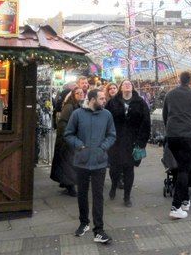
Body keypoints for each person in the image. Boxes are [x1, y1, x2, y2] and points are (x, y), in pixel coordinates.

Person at [64, 89, 116, 244]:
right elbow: (68, 134)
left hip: (100, 161)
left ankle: (99, 230)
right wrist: (79, 145)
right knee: (82, 194)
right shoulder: (77, 114)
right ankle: (83, 222)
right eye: (101, 98)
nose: (104, 100)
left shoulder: (107, 115)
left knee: (98, 196)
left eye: (104, 98)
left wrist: (103, 147)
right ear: (92, 99)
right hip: (82, 161)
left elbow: (112, 134)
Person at [163, 71, 191, 219]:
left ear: (179, 80)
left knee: (181, 167)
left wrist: (169, 129)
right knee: (184, 170)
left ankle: (186, 200)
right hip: (188, 135)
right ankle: (176, 206)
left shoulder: (170, 94)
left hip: (172, 135)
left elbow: (165, 115)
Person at [105, 80, 151, 207]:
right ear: (121, 88)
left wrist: (142, 142)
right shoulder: (112, 102)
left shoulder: (140, 103)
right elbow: (106, 120)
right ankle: (114, 186)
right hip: (115, 141)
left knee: (129, 169)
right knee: (114, 168)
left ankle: (127, 196)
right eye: (124, 84)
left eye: (129, 84)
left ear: (132, 87)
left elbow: (146, 123)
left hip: (132, 141)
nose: (127, 85)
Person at [50, 87, 85, 196]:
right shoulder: (69, 106)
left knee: (67, 163)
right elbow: (63, 123)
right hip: (67, 140)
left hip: (72, 138)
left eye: (82, 93)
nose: (80, 94)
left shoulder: (78, 105)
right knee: (69, 163)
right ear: (73, 95)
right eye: (77, 93)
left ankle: (67, 184)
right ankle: (70, 186)